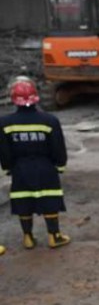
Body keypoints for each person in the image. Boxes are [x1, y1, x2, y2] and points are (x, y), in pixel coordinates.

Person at [0, 76, 70, 249]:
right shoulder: (50, 120)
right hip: (46, 166)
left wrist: (8, 167)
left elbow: (4, 150)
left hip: (20, 168)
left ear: (14, 99)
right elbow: (58, 146)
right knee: (49, 199)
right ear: (36, 97)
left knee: (23, 201)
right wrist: (60, 165)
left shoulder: (5, 123)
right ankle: (54, 236)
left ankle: (28, 238)